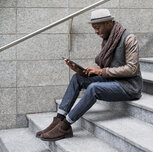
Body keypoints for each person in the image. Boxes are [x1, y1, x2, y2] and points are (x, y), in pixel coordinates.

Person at [36, 9, 143, 141]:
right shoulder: (108, 39)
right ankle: (58, 119)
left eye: (98, 27)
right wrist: (84, 71)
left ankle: (65, 127)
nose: (96, 31)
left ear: (109, 23)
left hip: (129, 86)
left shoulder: (129, 38)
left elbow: (131, 69)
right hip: (112, 80)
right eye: (94, 28)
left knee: (94, 88)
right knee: (77, 78)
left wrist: (101, 71)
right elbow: (108, 67)